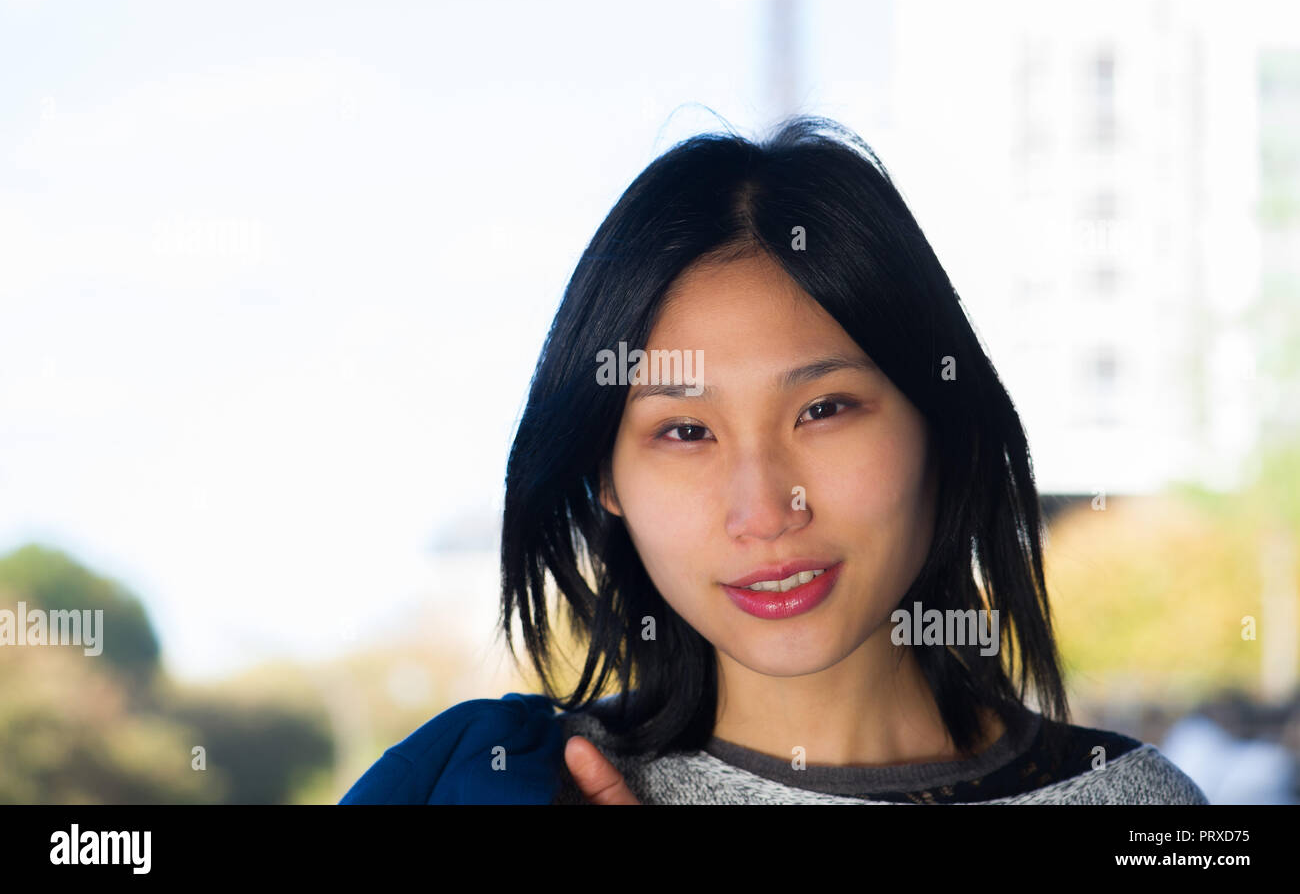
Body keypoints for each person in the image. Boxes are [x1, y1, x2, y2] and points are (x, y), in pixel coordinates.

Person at [340, 115, 1209, 804]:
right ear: (605, 477)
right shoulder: (498, 786)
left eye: (824, 409)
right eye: (684, 431)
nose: (763, 509)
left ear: (937, 421)